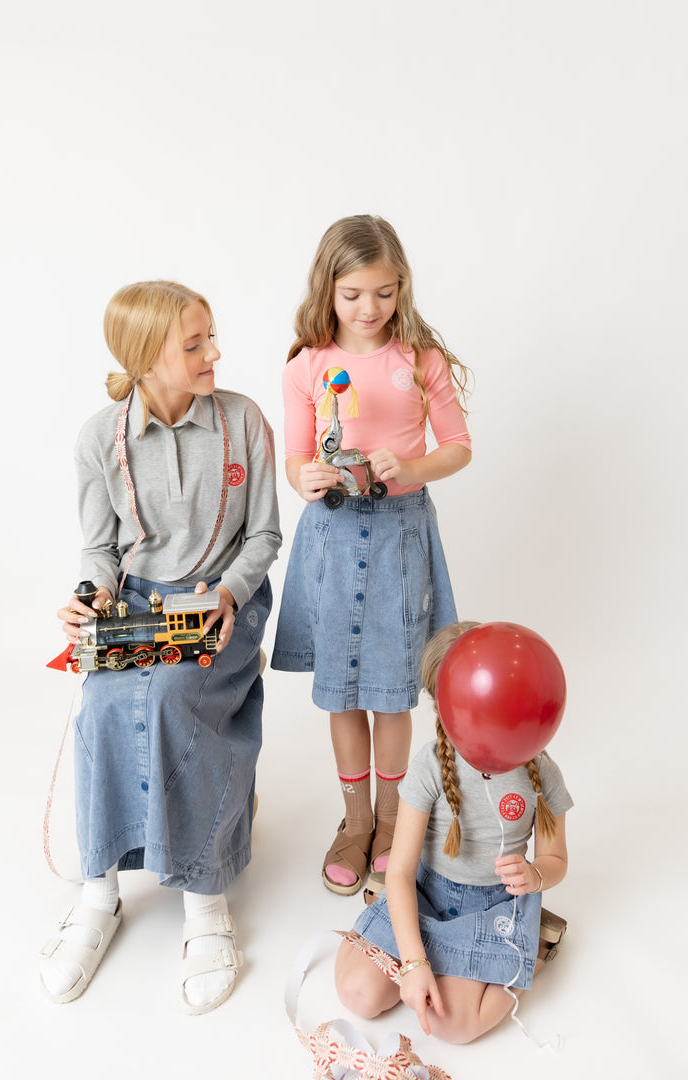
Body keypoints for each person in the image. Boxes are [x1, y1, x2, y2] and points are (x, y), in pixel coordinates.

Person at [39, 281, 281, 1014]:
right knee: (101, 707)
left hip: (223, 603)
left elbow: (265, 537)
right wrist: (91, 596)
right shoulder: (96, 439)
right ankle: (99, 892)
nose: (214, 353)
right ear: (146, 360)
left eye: (212, 337)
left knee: (178, 697)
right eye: (195, 343)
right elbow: (100, 547)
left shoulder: (244, 422)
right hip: (139, 606)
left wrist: (227, 596)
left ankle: (206, 902)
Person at [271, 215, 472, 901]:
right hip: (332, 536)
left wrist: (410, 462)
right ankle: (354, 823)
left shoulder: (420, 359)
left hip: (397, 538)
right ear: (328, 288)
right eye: (354, 294)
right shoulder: (308, 366)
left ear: (401, 287)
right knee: (342, 693)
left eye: (384, 293)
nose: (369, 308)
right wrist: (303, 477)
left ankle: (391, 823)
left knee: (390, 691)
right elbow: (296, 456)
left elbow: (458, 447)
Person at [334, 621, 573, 1044]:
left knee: (453, 1027)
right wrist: (413, 964)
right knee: (358, 993)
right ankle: (458, 960)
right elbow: (401, 872)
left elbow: (556, 860)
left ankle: (527, 952)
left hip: (495, 904)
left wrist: (536, 875)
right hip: (427, 893)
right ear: (446, 706)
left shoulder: (540, 769)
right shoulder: (430, 766)